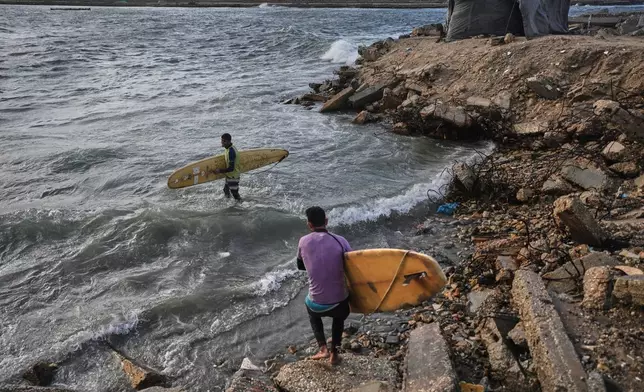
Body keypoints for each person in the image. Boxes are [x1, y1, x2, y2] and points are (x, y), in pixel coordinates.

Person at [296, 206, 351, 366]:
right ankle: (334, 353)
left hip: (316, 306)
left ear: (309, 224)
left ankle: (322, 348)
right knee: (339, 318)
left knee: (310, 308)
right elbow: (353, 265)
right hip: (340, 305)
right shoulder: (340, 241)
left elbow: (300, 265)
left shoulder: (303, 241)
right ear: (326, 221)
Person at [212, 133, 241, 201]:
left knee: (235, 194)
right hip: (230, 175)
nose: (221, 142)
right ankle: (229, 205)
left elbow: (231, 168)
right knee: (226, 190)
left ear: (228, 141)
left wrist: (220, 171)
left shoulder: (231, 152)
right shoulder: (228, 148)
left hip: (233, 176)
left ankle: (241, 207)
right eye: (222, 140)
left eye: (223, 141)